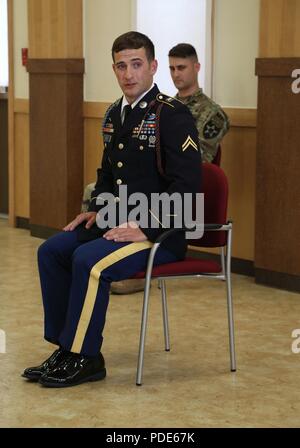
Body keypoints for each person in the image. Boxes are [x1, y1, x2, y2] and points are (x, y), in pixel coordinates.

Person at [22, 31, 201, 388]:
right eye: (121, 66)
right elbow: (108, 175)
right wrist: (95, 209)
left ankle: (85, 357)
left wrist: (147, 229)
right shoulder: (114, 114)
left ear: (152, 67)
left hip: (161, 233)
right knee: (52, 251)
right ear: (114, 69)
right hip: (117, 222)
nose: (128, 74)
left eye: (137, 65)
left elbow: (188, 188)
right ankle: (66, 347)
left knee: (88, 260)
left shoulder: (171, 115)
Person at [110, 42, 230, 295]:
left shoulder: (211, 114)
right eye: (172, 68)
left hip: (184, 198)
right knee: (103, 192)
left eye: (182, 67)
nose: (176, 74)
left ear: (196, 68)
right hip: (157, 186)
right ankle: (114, 252)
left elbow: (196, 165)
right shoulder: (158, 107)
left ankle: (134, 269)